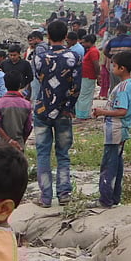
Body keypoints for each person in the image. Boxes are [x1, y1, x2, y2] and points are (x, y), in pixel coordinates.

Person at [31, 19, 80, 207]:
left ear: (48, 36)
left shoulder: (39, 57)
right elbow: (76, 86)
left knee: (43, 153)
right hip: (64, 111)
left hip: (43, 109)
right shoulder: (74, 57)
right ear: (66, 36)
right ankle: (64, 193)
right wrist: (68, 108)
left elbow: (39, 79)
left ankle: (45, 197)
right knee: (63, 154)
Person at [92, 51, 131, 208]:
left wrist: (102, 112)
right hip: (118, 129)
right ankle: (114, 197)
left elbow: (122, 111)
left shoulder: (123, 88)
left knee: (109, 164)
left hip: (116, 129)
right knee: (116, 164)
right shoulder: (128, 84)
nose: (112, 67)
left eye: (114, 65)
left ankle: (105, 199)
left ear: (122, 68)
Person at [0, 72, 33, 154]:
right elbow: (28, 128)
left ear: (5, 84)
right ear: (20, 84)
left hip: (2, 143)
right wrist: (22, 141)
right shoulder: (26, 104)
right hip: (19, 143)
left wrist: (9, 140)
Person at [76, 33, 101, 119]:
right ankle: (82, 113)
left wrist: (98, 75)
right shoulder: (90, 51)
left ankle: (83, 114)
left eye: (84, 43)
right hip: (86, 75)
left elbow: (96, 65)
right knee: (84, 95)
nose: (83, 44)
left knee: (85, 95)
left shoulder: (93, 51)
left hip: (89, 76)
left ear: (89, 42)